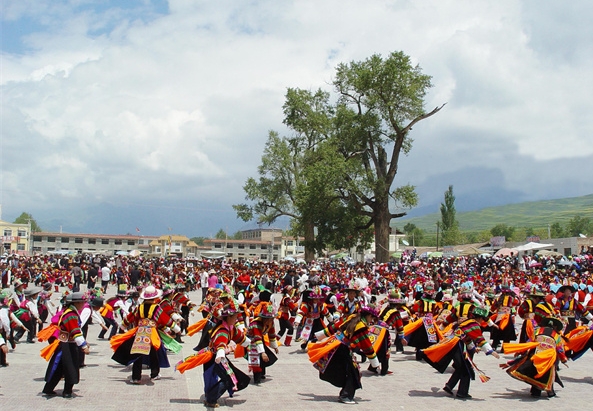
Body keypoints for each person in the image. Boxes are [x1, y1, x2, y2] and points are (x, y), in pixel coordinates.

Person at [176, 299, 252, 408]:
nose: (236, 319)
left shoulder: (231, 328)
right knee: (227, 378)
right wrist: (221, 353)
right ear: (228, 317)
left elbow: (240, 338)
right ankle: (211, 399)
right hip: (215, 357)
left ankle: (210, 397)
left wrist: (250, 344)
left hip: (218, 357)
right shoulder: (222, 330)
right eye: (235, 317)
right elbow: (220, 343)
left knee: (224, 378)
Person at [422, 306, 499, 399]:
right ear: (480, 318)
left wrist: (473, 348)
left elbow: (466, 338)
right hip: (458, 346)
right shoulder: (474, 325)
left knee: (461, 367)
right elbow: (480, 339)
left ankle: (450, 386)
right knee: (466, 368)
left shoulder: (467, 322)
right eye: (483, 319)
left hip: (456, 345)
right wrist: (491, 352)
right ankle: (462, 392)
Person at [308, 305, 380, 404]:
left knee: (349, 371)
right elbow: (366, 345)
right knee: (353, 373)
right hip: (343, 349)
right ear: (368, 315)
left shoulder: (352, 317)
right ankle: (345, 396)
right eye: (372, 318)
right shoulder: (361, 326)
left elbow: (336, 326)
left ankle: (345, 393)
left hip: (337, 345)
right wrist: (374, 362)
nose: (371, 320)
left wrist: (322, 334)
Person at [111, 285, 182, 384]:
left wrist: (123, 326)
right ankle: (154, 374)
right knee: (154, 353)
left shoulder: (139, 307)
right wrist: (176, 329)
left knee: (137, 353)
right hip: (152, 333)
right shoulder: (156, 308)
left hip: (140, 332)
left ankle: (136, 377)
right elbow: (165, 319)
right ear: (154, 297)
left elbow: (130, 317)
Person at [502, 317, 567, 398]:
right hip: (548, 358)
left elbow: (529, 342)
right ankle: (550, 392)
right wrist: (564, 359)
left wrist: (521, 351)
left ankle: (536, 391)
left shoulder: (537, 331)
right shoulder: (557, 336)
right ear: (556, 327)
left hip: (535, 355)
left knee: (535, 372)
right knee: (548, 373)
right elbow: (560, 350)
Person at [41, 292, 90, 398]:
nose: (83, 304)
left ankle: (48, 388)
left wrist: (84, 342)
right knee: (70, 367)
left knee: (59, 367)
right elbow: (75, 331)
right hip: (68, 345)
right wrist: (83, 345)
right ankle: (67, 391)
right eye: (82, 302)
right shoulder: (71, 315)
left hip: (64, 344)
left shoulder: (68, 312)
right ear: (76, 303)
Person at [246, 302, 279, 384]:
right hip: (251, 341)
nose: (270, 320)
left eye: (271, 319)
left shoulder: (271, 323)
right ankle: (257, 377)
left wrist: (275, 346)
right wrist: (262, 352)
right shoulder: (256, 324)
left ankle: (262, 373)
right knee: (256, 358)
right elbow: (257, 338)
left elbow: (271, 334)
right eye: (268, 319)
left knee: (266, 357)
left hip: (260, 339)